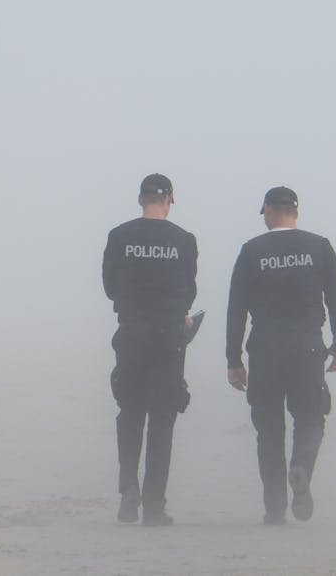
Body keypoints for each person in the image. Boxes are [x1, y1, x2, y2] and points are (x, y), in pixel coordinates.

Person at [225, 186, 336, 525]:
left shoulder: (252, 251)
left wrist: (233, 359)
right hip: (307, 346)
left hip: (265, 348)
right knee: (310, 418)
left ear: (267, 210)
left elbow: (236, 308)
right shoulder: (318, 246)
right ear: (296, 211)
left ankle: (275, 507)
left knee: (268, 429)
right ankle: (302, 466)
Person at [102, 173, 198, 526]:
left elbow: (110, 287)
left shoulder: (119, 236)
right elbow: (188, 290)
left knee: (130, 413)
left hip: (130, 335)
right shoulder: (184, 240)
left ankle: (129, 488)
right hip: (169, 340)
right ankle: (154, 504)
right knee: (162, 420)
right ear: (170, 199)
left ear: (140, 198)